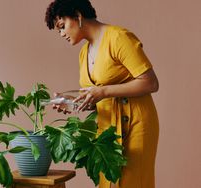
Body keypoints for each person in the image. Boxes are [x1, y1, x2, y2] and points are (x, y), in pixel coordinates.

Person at [45, 0, 159, 188]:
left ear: (78, 16)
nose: (61, 34)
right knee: (109, 182)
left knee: (133, 182)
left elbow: (151, 82)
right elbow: (96, 97)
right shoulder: (84, 52)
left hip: (136, 122)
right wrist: (71, 102)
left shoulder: (118, 38)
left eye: (62, 26)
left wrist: (103, 91)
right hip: (108, 128)